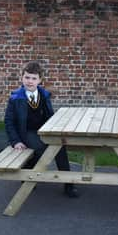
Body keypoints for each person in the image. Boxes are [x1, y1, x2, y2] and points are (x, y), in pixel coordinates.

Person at [4, 61, 79, 198]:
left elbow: (49, 115)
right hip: (26, 132)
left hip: (43, 130)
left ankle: (69, 183)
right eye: (27, 77)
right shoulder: (16, 98)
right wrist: (16, 141)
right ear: (22, 78)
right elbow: (9, 122)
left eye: (33, 78)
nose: (30, 81)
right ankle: (28, 173)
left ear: (40, 80)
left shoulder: (44, 95)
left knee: (59, 146)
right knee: (42, 149)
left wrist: (56, 131)